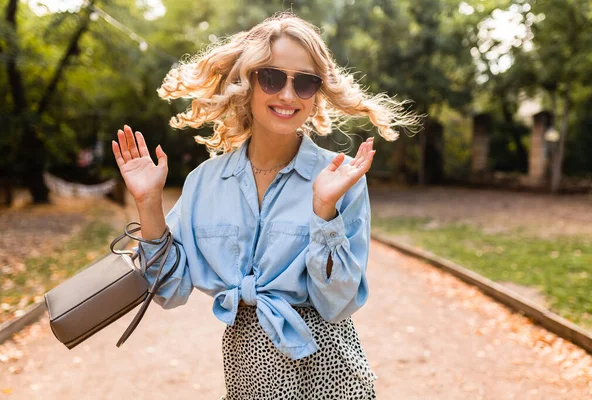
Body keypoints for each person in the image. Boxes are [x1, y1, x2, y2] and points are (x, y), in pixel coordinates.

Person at [112, 11, 420, 400]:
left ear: (316, 93)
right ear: (247, 83)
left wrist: (323, 209)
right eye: (272, 78)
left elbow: (338, 302)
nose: (288, 95)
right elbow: (169, 290)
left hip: (331, 379)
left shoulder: (340, 178)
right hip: (245, 380)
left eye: (305, 83)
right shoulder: (205, 183)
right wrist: (148, 204)